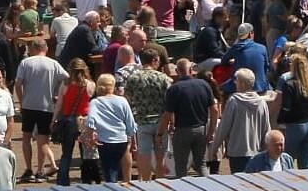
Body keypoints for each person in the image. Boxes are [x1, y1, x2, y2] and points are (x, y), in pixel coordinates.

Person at [13, 40, 65, 183]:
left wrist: (22, 100)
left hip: (29, 105)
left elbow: (18, 84)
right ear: (46, 49)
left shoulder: (26, 63)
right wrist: (58, 94)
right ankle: (40, 171)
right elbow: (67, 78)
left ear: (33, 48)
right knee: (43, 140)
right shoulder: (53, 64)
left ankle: (28, 169)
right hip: (46, 106)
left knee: (26, 137)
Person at [160, 59, 220, 178]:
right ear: (191, 70)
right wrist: (211, 131)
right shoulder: (204, 85)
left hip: (182, 131)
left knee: (181, 167)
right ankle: (208, 188)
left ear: (177, 71)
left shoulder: (174, 89)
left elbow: (168, 114)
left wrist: (160, 133)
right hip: (200, 129)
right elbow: (215, 110)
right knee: (201, 165)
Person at [270, 50, 308, 169]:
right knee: (306, 163)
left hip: (295, 126)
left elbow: (285, 106)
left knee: (287, 160)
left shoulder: (288, 83)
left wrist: (279, 120)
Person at [211, 68, 272, 174]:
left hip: (237, 152)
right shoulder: (261, 103)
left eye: (237, 81)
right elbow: (267, 128)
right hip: (257, 152)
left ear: (242, 84)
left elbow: (224, 127)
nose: (235, 83)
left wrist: (215, 147)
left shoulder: (234, 101)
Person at [123, 50, 173, 180]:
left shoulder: (133, 78)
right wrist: (172, 122)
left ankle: (146, 182)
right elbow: (170, 103)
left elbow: (127, 100)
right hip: (161, 122)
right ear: (154, 60)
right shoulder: (163, 78)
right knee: (160, 156)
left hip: (142, 120)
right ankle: (160, 180)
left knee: (144, 154)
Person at [82, 74, 136, 183]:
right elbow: (130, 123)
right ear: (113, 86)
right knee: (120, 165)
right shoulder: (122, 100)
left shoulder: (95, 102)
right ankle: (126, 183)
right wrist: (133, 140)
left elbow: (90, 121)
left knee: (109, 170)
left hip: (105, 141)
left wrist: (89, 137)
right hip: (122, 139)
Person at [225, 23, 270, 92]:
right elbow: (266, 67)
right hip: (260, 87)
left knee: (223, 88)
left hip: (241, 88)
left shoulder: (236, 48)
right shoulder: (262, 48)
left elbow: (223, 61)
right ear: (250, 33)